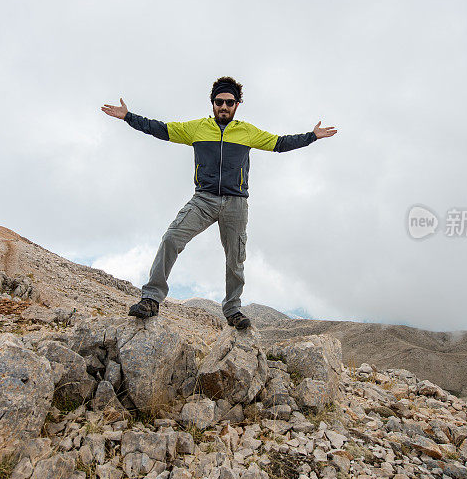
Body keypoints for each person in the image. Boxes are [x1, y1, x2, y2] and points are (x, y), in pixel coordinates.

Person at [101, 76, 337, 330]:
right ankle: (151, 299)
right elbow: (159, 128)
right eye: (219, 102)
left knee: (235, 258)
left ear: (237, 104)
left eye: (229, 102)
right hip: (204, 199)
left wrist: (311, 136)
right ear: (212, 103)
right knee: (171, 239)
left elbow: (280, 143)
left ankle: (233, 309)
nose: (223, 107)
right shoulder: (196, 128)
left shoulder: (248, 132)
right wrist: (128, 117)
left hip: (236, 204)